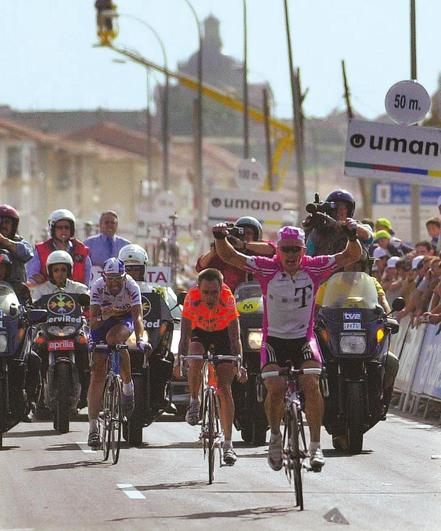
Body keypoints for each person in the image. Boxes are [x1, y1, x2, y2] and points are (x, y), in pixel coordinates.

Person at [213, 223, 362, 472]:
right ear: (277, 250)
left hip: (303, 339)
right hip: (274, 341)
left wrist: (351, 235)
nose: (291, 255)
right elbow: (229, 255)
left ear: (303, 250)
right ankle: (274, 437)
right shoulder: (266, 268)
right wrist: (220, 236)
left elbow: (351, 255)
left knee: (312, 383)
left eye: (296, 250)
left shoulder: (315, 267)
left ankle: (315, 446)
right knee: (277, 386)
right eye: (286, 250)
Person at [177, 268, 244, 466]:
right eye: (205, 292)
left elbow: (235, 337)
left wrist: (239, 361)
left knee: (224, 388)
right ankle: (194, 400)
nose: (210, 297)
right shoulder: (191, 298)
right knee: (195, 356)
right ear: (198, 289)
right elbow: (184, 335)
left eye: (214, 292)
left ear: (221, 289)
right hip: (200, 333)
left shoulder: (228, 299)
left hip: (223, 334)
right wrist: (180, 359)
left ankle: (228, 444)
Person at [87, 257, 147, 448]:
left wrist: (140, 339)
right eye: (110, 279)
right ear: (104, 277)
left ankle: (128, 386)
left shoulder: (131, 286)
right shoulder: (97, 287)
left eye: (117, 279)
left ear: (124, 277)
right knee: (97, 374)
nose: (114, 283)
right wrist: (106, 314)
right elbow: (93, 322)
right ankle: (93, 429)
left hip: (124, 320)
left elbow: (137, 317)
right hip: (104, 320)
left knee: (115, 339)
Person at [118, 243, 174, 412]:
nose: (132, 273)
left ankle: (160, 395)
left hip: (149, 338)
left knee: (166, 359)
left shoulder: (158, 289)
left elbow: (173, 308)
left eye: (135, 269)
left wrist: (177, 314)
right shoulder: (113, 290)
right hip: (122, 337)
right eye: (128, 269)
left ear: (143, 269)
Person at [196, 216, 275, 292]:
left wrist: (244, 245)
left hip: (257, 300)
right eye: (241, 232)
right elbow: (201, 267)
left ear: (257, 236)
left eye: (248, 233)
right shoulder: (226, 253)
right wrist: (216, 248)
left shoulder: (261, 250)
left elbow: (273, 249)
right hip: (231, 301)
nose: (245, 236)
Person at [26, 209, 91, 286]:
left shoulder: (82, 252)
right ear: (52, 229)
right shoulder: (40, 251)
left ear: (72, 230)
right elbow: (32, 279)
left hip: (76, 296)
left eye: (67, 227)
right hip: (47, 296)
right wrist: (42, 283)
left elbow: (87, 284)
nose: (64, 230)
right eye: (60, 227)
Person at [304, 189, 372, 256]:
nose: (338, 211)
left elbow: (368, 236)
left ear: (349, 210)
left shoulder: (358, 226)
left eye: (343, 207)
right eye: (334, 207)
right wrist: (309, 229)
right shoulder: (320, 231)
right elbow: (306, 257)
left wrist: (339, 225)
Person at [84, 210, 130, 281]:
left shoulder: (126, 245)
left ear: (117, 225)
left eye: (113, 223)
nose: (110, 225)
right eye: (106, 222)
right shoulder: (89, 243)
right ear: (100, 225)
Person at [0, 204, 33, 283]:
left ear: (13, 225)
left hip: (16, 291)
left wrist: (4, 241)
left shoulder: (19, 241)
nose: (4, 225)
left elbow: (27, 254)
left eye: (7, 222)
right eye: (1, 222)